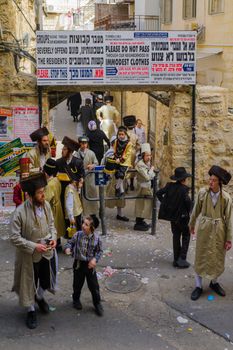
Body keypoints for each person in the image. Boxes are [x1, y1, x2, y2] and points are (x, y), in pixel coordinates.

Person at [10, 173, 57, 329]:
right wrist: (34, 246)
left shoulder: (46, 206)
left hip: (46, 253)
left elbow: (52, 225)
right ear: (30, 196)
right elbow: (14, 238)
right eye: (39, 192)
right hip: (28, 256)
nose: (43, 194)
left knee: (45, 280)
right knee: (29, 282)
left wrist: (54, 238)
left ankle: (39, 296)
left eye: (43, 190)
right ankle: (30, 311)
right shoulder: (20, 213)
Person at [189, 165, 232, 301]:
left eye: (213, 180)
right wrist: (191, 224)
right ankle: (198, 286)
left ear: (219, 182)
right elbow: (195, 210)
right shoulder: (203, 193)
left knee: (217, 256)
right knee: (201, 254)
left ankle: (214, 282)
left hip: (219, 230)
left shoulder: (226, 198)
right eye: (210, 179)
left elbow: (229, 219)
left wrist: (229, 238)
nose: (210, 182)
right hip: (204, 228)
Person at [64, 216, 103, 316]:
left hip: (90, 266)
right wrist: (68, 248)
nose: (83, 225)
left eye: (86, 224)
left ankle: (97, 303)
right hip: (78, 264)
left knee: (94, 286)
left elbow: (99, 251)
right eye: (83, 223)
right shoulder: (77, 235)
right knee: (77, 284)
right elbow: (69, 243)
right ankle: (76, 299)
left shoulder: (97, 239)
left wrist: (95, 259)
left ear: (92, 228)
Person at [156, 167, 192, 268]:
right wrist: (190, 209)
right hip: (182, 218)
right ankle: (182, 258)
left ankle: (176, 259)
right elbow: (187, 202)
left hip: (172, 217)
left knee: (176, 236)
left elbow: (158, 193)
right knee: (186, 236)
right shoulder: (184, 190)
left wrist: (166, 204)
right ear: (183, 180)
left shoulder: (169, 186)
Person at [102, 136, 129, 222]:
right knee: (109, 195)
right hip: (112, 177)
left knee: (120, 197)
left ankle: (120, 214)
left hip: (119, 177)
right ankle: (101, 211)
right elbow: (108, 164)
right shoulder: (110, 153)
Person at [74, 136, 99, 218]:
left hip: (89, 178)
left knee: (91, 195)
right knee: (80, 197)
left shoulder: (91, 153)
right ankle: (81, 214)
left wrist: (92, 165)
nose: (84, 145)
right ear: (79, 143)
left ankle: (93, 214)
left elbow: (96, 163)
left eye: (85, 143)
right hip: (80, 178)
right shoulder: (76, 154)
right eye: (82, 143)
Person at [43, 158, 66, 244]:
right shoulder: (56, 180)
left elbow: (46, 199)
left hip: (52, 209)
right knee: (58, 227)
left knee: (53, 227)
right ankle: (58, 242)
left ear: (46, 172)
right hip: (58, 205)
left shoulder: (49, 185)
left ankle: (54, 244)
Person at [134, 143, 154, 231]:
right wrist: (152, 170)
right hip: (142, 188)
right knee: (140, 205)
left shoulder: (147, 163)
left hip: (147, 188)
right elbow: (147, 177)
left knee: (145, 206)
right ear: (143, 156)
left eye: (150, 155)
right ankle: (138, 223)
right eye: (147, 155)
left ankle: (141, 221)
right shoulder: (140, 165)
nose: (149, 157)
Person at [112, 126, 132, 198]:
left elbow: (128, 154)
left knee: (121, 175)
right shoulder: (116, 141)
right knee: (117, 175)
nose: (121, 136)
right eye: (119, 134)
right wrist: (115, 157)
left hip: (125, 161)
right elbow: (114, 150)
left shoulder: (129, 143)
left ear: (125, 134)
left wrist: (120, 159)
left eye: (122, 134)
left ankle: (117, 188)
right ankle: (122, 191)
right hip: (116, 160)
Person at [123, 115, 140, 191]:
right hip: (132, 152)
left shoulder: (123, 135)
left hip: (125, 152)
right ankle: (132, 184)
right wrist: (135, 150)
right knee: (132, 167)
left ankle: (125, 185)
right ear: (133, 126)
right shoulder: (135, 136)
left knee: (125, 167)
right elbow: (139, 146)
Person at [64, 169, 83, 234]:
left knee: (78, 231)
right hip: (73, 216)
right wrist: (71, 218)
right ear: (74, 182)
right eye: (81, 182)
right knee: (73, 233)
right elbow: (69, 206)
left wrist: (79, 187)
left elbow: (78, 193)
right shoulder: (70, 191)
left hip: (77, 213)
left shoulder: (73, 188)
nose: (82, 184)